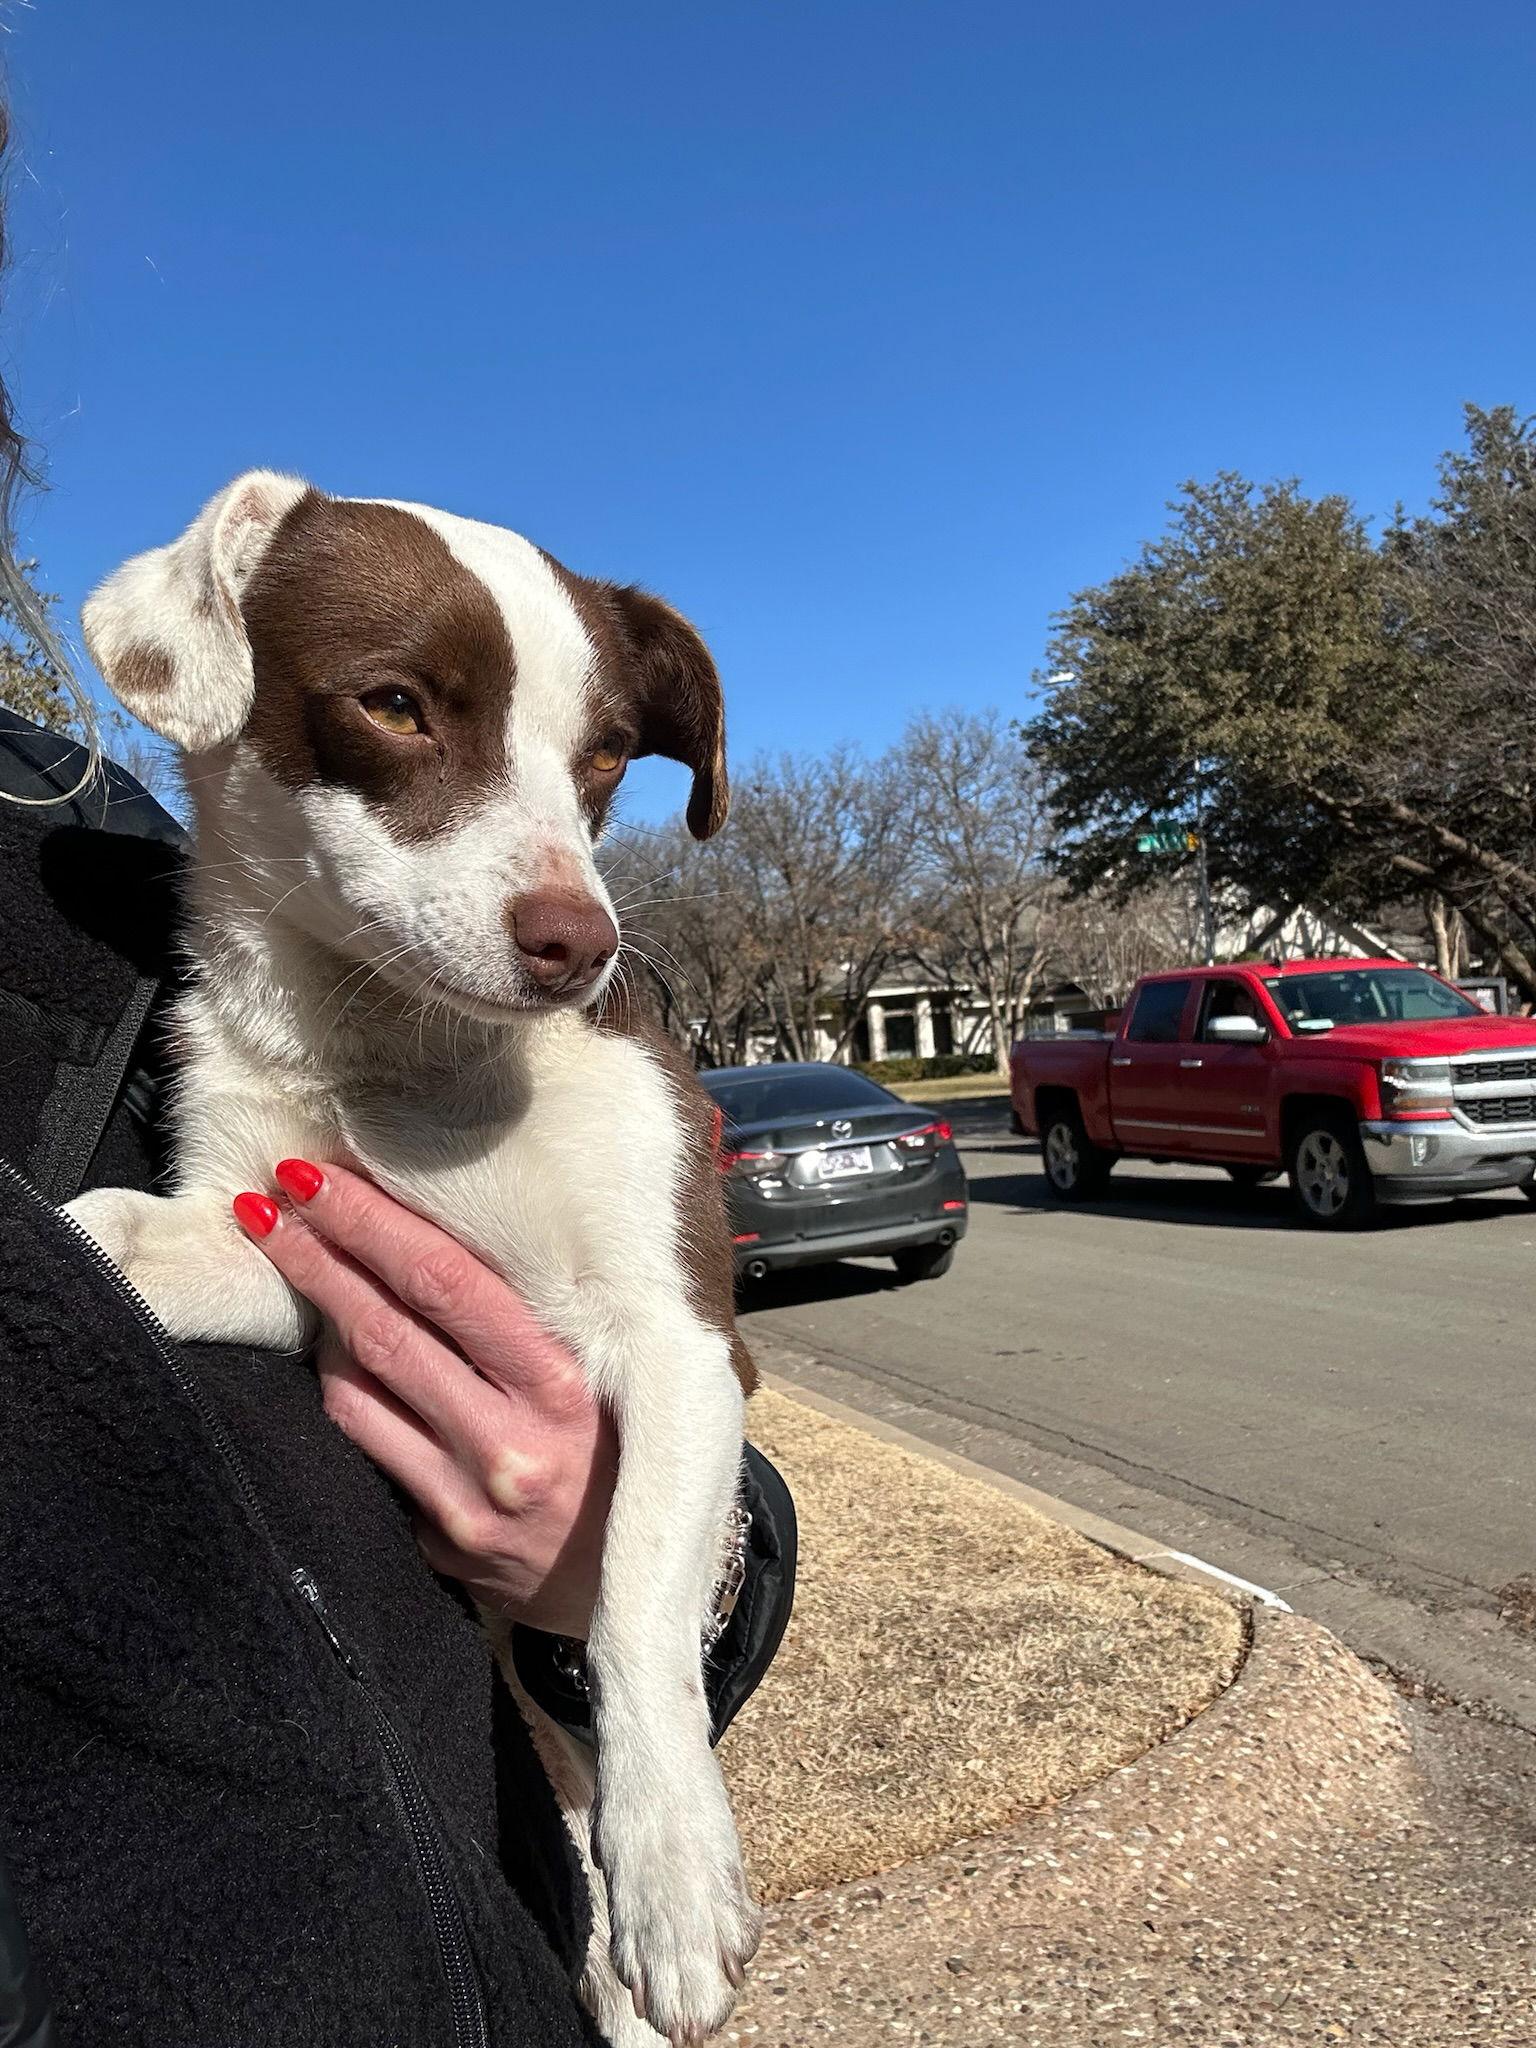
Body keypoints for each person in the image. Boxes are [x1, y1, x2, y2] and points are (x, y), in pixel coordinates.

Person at [0, 124, 794, 2048]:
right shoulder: (154, 964)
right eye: (409, 711)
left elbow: (678, 1369)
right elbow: (239, 1266)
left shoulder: (70, 871)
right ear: (218, 671)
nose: (561, 895)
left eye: (584, 765)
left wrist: (648, 1675)